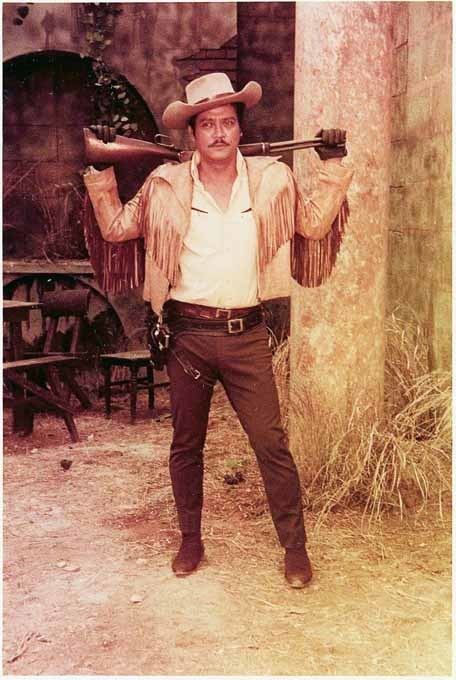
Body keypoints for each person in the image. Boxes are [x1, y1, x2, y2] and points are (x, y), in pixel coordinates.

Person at [84, 72, 353, 588]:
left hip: (246, 335)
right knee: (187, 445)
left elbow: (315, 223)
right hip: (187, 336)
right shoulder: (164, 185)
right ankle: (190, 541)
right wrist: (100, 170)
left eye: (227, 123)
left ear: (239, 129)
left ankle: (294, 550)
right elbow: (117, 227)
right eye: (207, 124)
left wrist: (334, 166)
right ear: (193, 134)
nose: (218, 133)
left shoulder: (273, 178)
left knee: (271, 445)